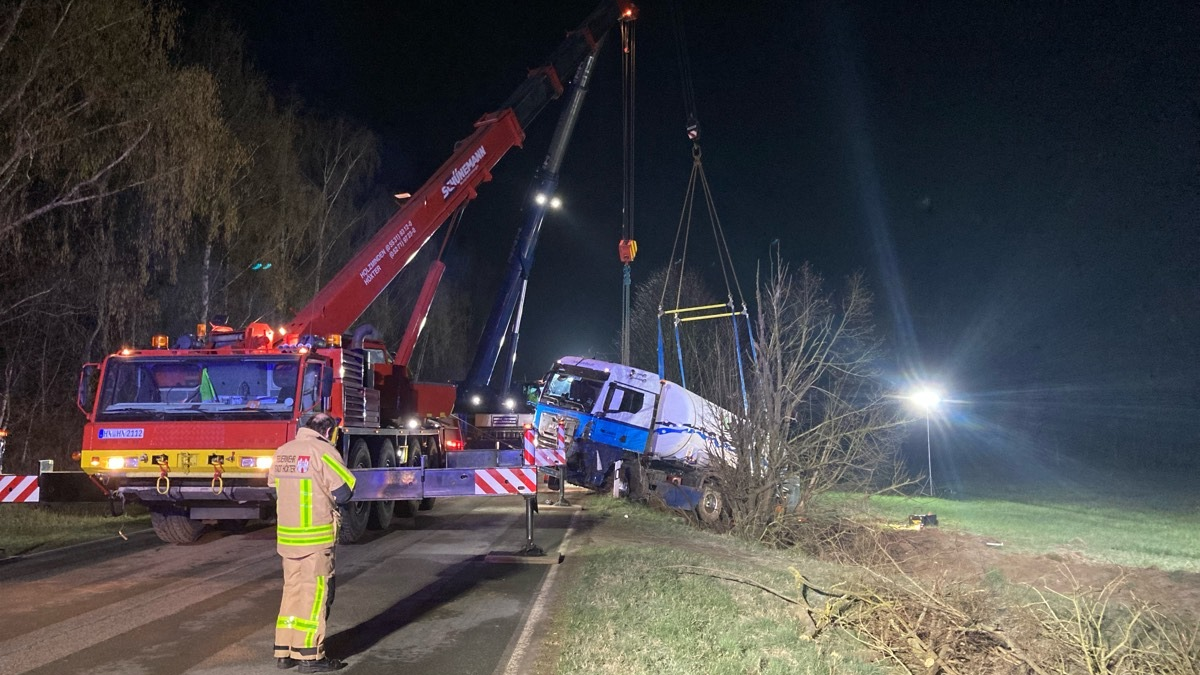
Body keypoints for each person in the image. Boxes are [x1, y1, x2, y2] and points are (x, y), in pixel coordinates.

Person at [270, 413, 355, 672]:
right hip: (316, 537)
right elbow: (344, 491)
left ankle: (285, 652)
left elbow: (274, 487)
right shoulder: (323, 451)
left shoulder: (282, 452)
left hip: (288, 537)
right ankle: (310, 655)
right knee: (315, 594)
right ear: (329, 431)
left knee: (292, 591)